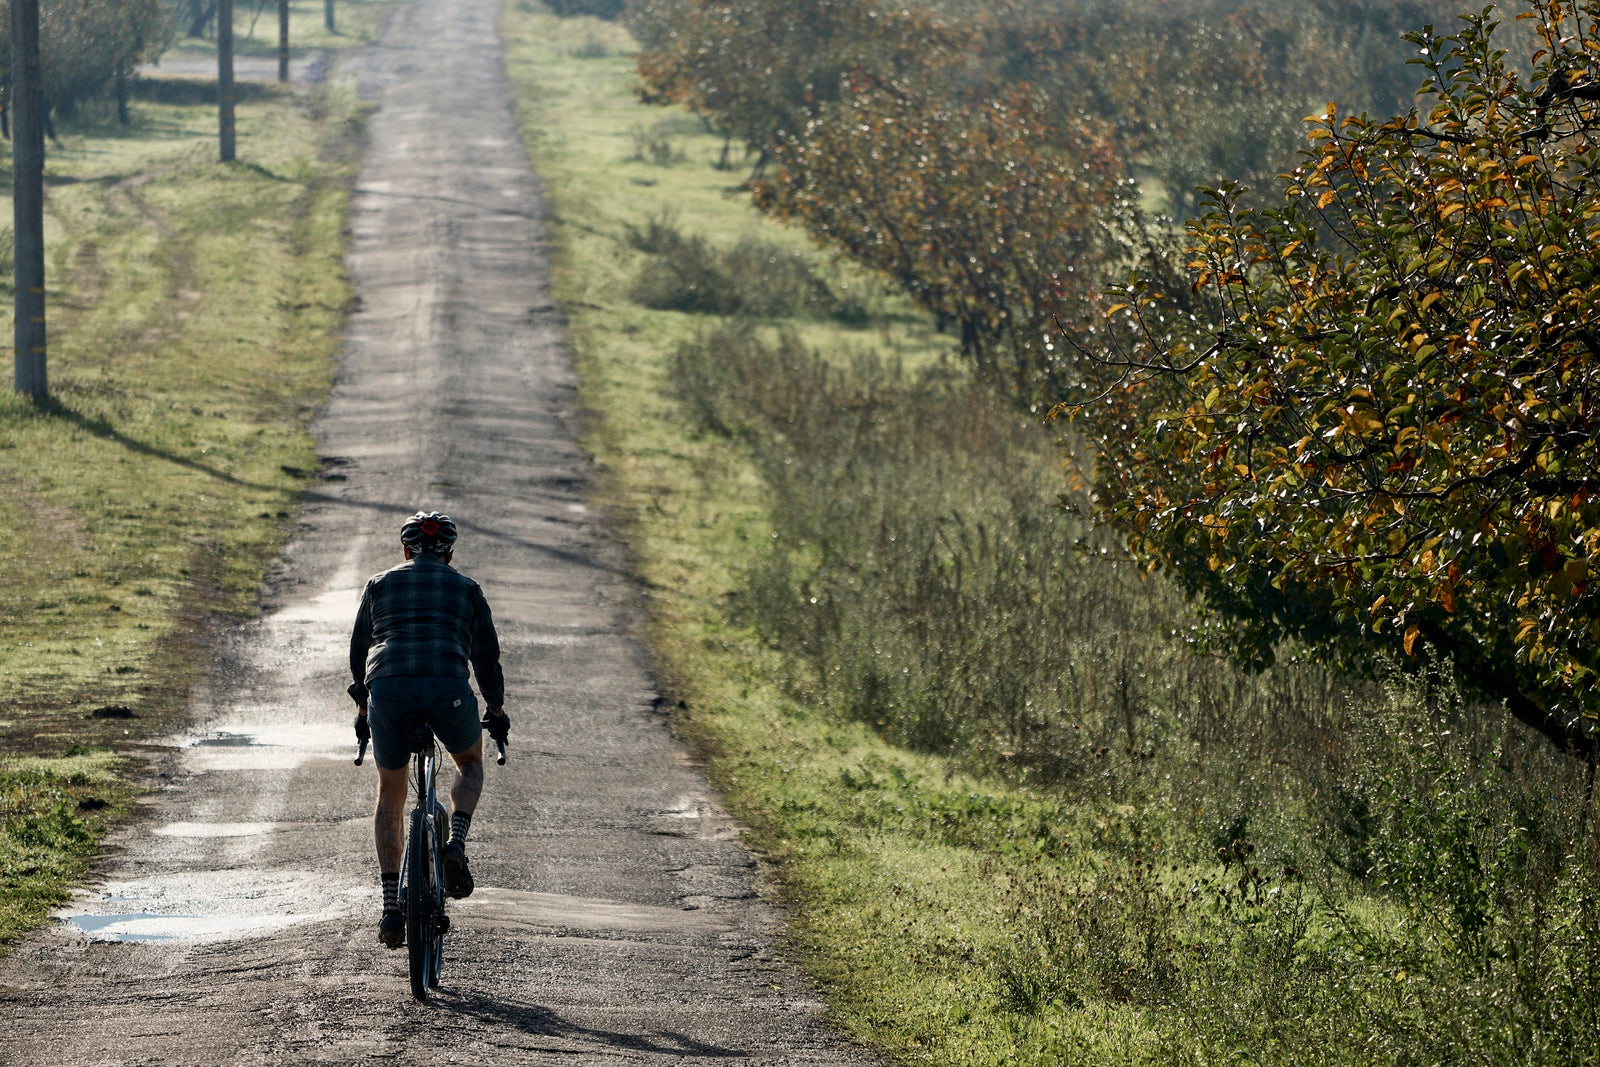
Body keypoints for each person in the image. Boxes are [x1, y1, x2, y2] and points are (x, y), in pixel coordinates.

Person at [347, 511, 512, 949]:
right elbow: (486, 658)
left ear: (405, 550)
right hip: (448, 689)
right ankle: (455, 841)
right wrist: (495, 709)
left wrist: (364, 703)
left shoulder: (379, 585)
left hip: (389, 689)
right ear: (450, 553)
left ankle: (389, 908)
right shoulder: (467, 589)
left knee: (390, 796)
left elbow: (359, 647)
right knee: (470, 763)